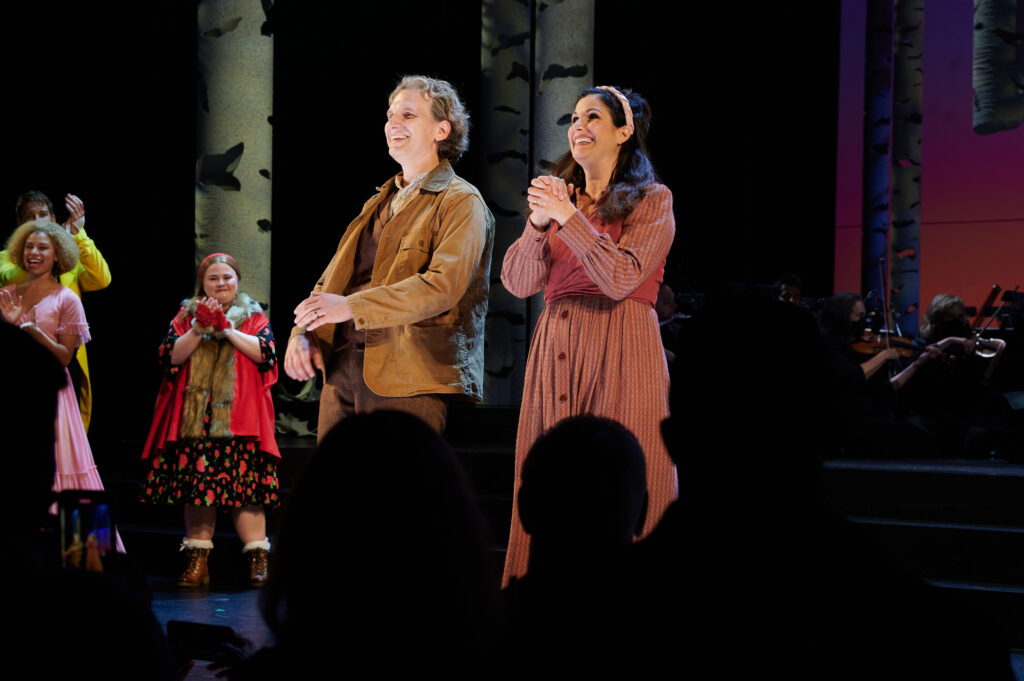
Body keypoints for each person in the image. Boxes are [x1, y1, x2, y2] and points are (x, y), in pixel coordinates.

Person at [500, 86, 676, 583]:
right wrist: (537, 225)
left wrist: (569, 218)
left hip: (623, 343)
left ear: (624, 132)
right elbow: (517, 282)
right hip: (557, 341)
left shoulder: (652, 200)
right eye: (574, 117)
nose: (578, 125)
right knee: (554, 479)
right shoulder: (562, 200)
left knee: (625, 469)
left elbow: (622, 279)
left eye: (593, 116)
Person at [285, 75, 494, 437]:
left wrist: (351, 307)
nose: (392, 123)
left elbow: (441, 287)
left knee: (397, 491)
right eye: (390, 114)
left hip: (410, 374)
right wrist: (302, 332)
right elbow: (333, 279)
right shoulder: (379, 200)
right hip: (344, 368)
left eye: (408, 115)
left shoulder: (461, 200)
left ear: (441, 130)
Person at [140, 253, 280, 587]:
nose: (221, 284)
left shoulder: (253, 316)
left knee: (246, 492)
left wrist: (226, 329)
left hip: (240, 421)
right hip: (198, 420)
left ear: (237, 280)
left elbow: (266, 353)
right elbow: (170, 356)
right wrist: (198, 327)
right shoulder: (186, 315)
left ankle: (257, 561)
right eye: (213, 278)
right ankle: (197, 562)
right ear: (202, 284)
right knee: (199, 491)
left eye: (227, 277)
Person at [0, 220, 123, 551]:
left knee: (65, 468)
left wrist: (26, 326)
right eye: (29, 246)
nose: (34, 253)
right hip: (15, 394)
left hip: (54, 397)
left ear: (58, 256)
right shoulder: (5, 295)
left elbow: (64, 357)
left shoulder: (67, 298)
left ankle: (87, 558)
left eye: (43, 248)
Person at [0, 191, 111, 431]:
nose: (37, 220)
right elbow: (13, 276)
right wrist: (44, 253)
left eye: (43, 215)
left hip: (62, 356)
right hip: (21, 357)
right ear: (19, 223)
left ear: (52, 219)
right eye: (30, 216)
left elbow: (101, 279)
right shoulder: (5, 259)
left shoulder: (67, 263)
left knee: (62, 432)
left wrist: (78, 235)